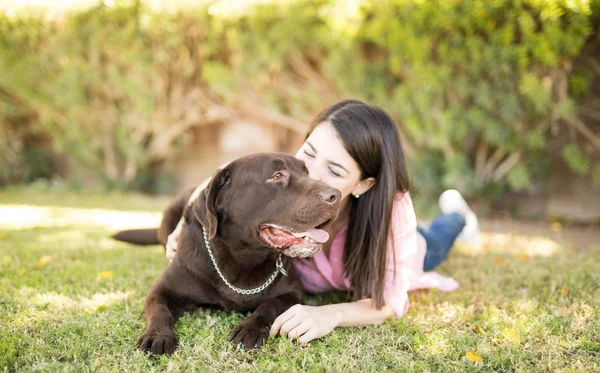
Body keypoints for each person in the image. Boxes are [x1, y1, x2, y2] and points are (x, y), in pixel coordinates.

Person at [165, 99, 479, 345]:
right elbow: (224, 178)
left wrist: (330, 314)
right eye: (310, 152)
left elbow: (389, 302)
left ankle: (458, 215)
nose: (312, 174)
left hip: (413, 246)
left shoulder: (392, 210)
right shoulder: (291, 173)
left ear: (362, 185)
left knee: (437, 236)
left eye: (335, 171)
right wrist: (183, 223)